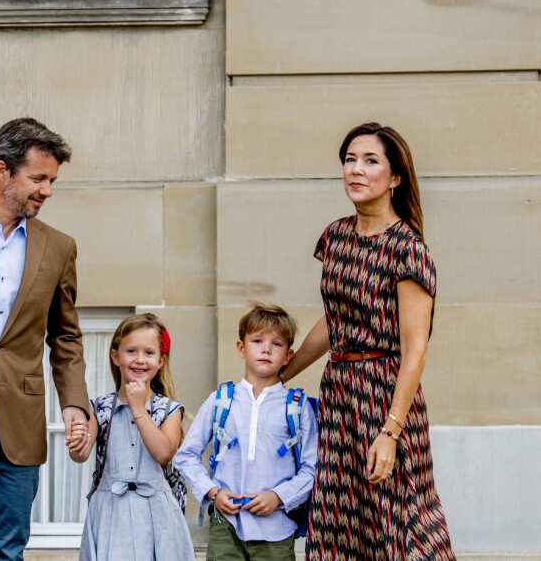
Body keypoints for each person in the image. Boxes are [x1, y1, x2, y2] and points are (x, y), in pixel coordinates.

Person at [278, 123, 455, 559]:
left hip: (386, 394)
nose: (356, 170)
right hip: (339, 391)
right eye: (350, 159)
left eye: (370, 161)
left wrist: (391, 432)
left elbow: (415, 349)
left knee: (399, 519)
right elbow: (335, 320)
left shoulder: (407, 249)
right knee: (340, 519)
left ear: (395, 177)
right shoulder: (336, 237)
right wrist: (282, 373)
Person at [0, 117, 91, 561]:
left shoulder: (58, 247)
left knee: (6, 550)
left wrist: (75, 404)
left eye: (52, 180)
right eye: (38, 178)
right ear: (2, 171)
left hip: (19, 421)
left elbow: (67, 336)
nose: (48, 190)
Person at [175, 301, 318, 561]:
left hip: (276, 529)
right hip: (225, 526)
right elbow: (185, 456)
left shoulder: (297, 407)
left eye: (276, 344)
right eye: (257, 341)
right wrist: (213, 493)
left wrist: (278, 496)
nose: (266, 349)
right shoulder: (220, 399)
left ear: (288, 355)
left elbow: (312, 468)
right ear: (241, 348)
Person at [69, 313, 195, 561]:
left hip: (158, 516)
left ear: (161, 360)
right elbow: (80, 454)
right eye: (131, 351)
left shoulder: (169, 409)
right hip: (110, 513)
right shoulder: (101, 407)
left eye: (149, 353)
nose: (140, 359)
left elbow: (163, 453)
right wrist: (76, 440)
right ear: (115, 356)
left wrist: (139, 409)